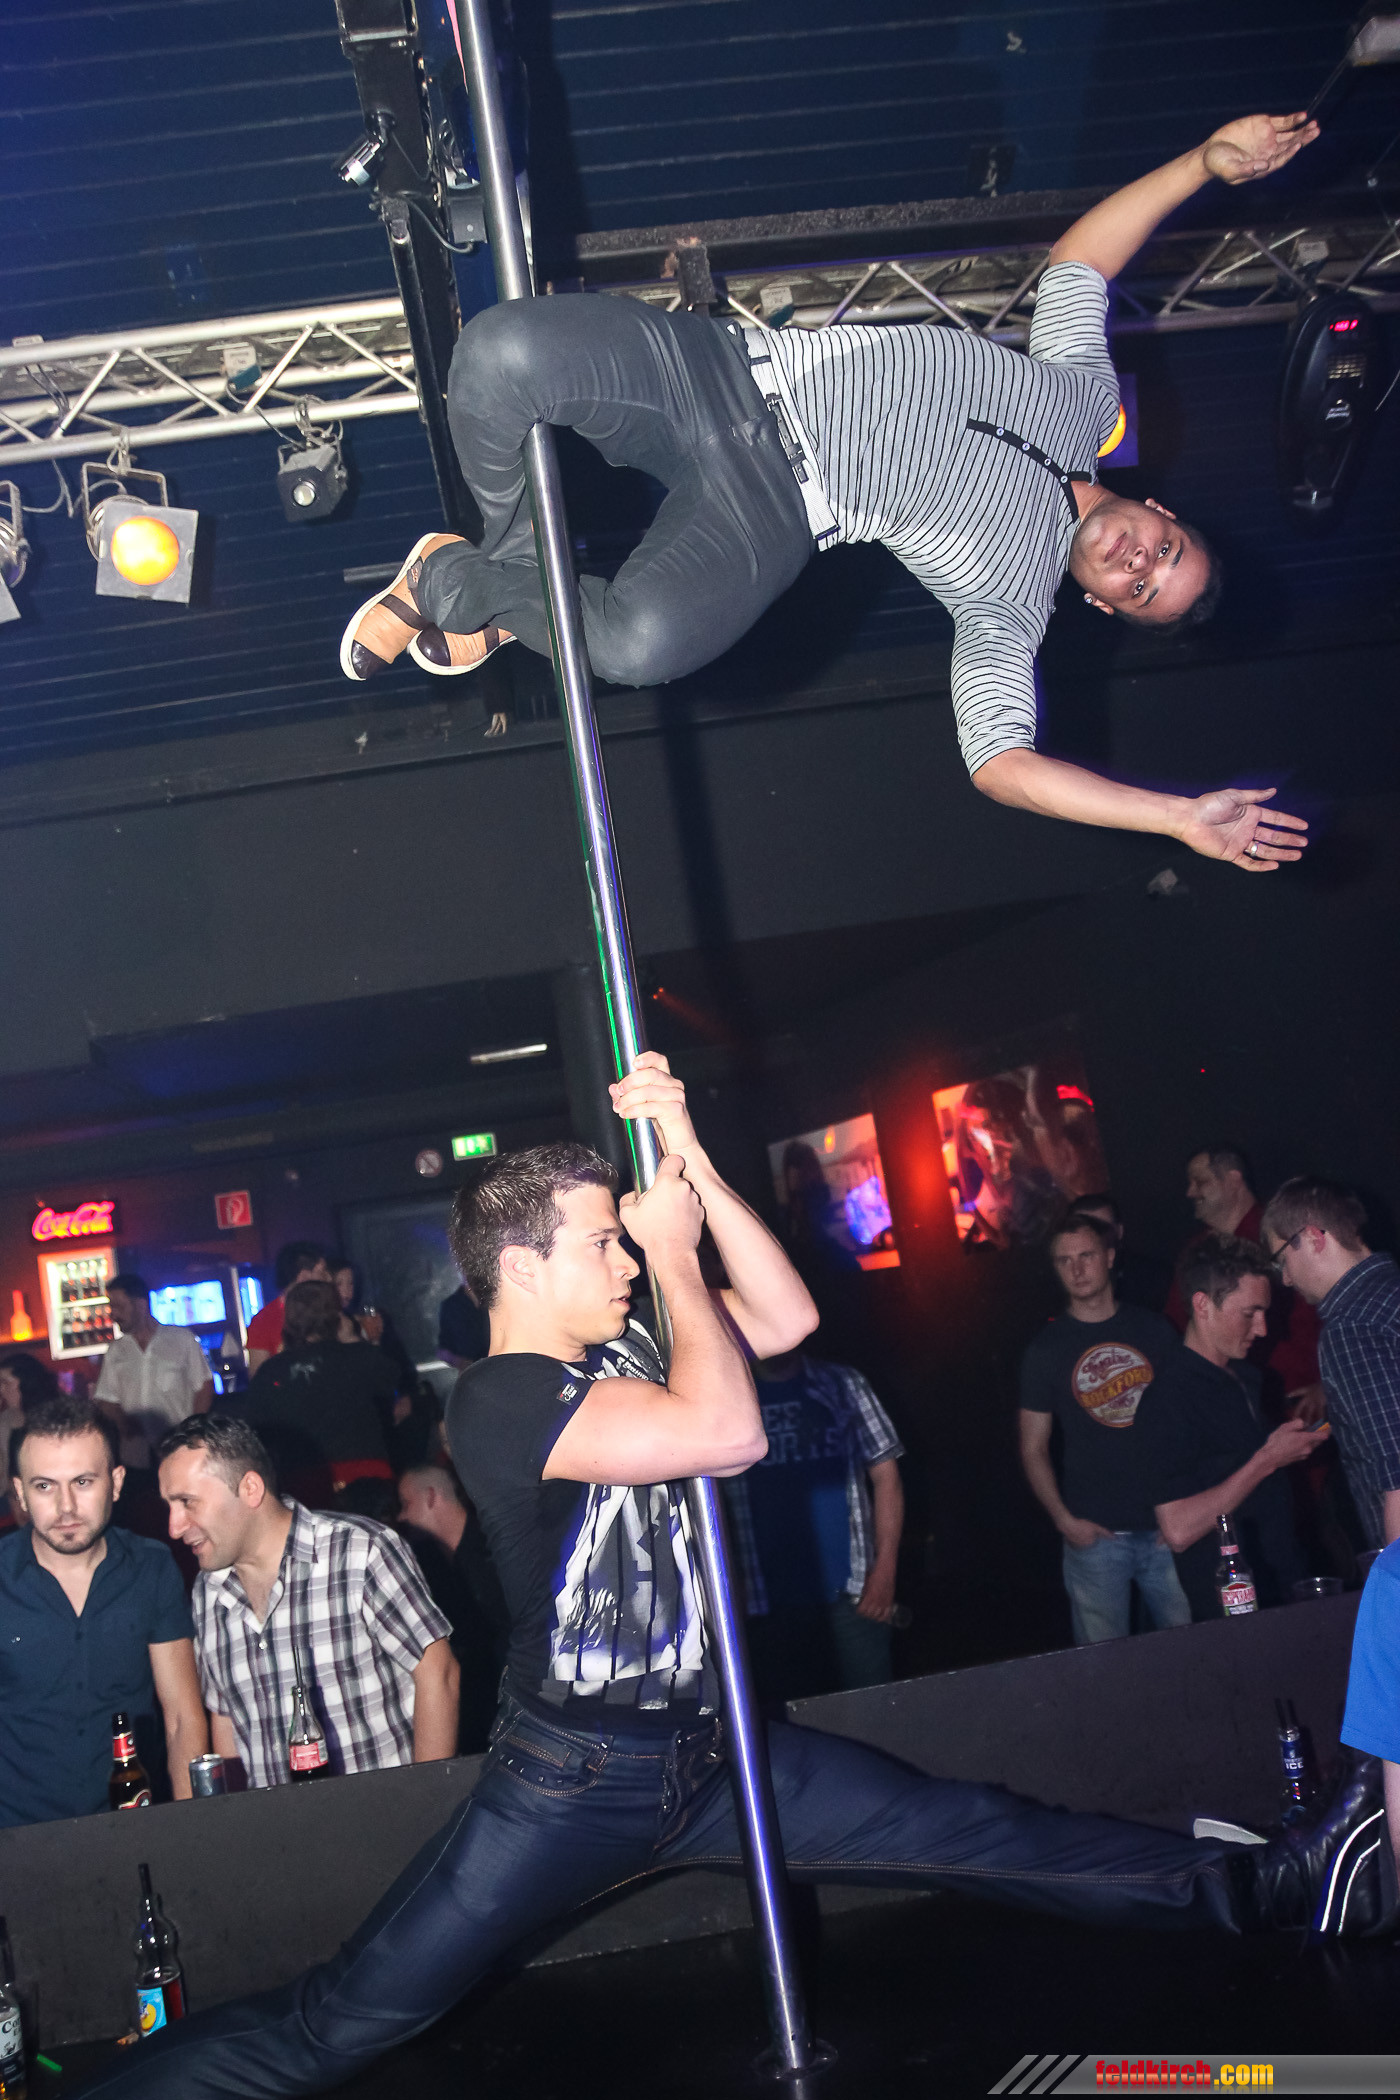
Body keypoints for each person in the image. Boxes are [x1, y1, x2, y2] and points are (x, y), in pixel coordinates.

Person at [71, 1063, 1400, 2100]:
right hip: (570, 1779)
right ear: (521, 1266)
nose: (624, 1260)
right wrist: (675, 1257)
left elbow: (786, 1321)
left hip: (715, 1751)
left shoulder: (624, 1344)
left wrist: (690, 1161)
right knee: (346, 2020)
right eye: (600, 1243)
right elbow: (725, 1431)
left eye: (624, 1242)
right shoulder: (496, 1396)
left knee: (980, 1829)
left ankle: (1274, 1888)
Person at [341, 116, 1313, 877]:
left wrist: (1174, 816)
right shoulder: (1086, 399)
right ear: (1164, 517)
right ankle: (492, 576)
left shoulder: (1009, 604)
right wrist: (1200, 163)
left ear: (1103, 605)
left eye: (1139, 591)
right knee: (498, 352)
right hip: (724, 373)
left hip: (772, 513)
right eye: (1164, 554)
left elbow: (1001, 765)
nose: (1138, 563)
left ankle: (456, 587)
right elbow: (1080, 264)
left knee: (638, 648)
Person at [157, 1414, 458, 1789]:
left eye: (187, 1502)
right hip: (272, 1824)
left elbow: (439, 1675)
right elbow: (227, 1720)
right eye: (170, 1506)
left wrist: (428, 1799)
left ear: (250, 1488)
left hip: (380, 1815)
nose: (174, 1526)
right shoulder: (208, 1590)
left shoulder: (359, 1551)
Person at [0, 1396, 207, 1825]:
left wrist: (187, 1831)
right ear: (19, 1493)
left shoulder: (151, 1567)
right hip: (16, 1836)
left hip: (133, 1824)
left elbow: (182, 1719)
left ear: (115, 1483)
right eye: (44, 1486)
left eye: (82, 1482)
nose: (66, 1507)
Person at [1019, 1213, 1189, 1644]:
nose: (1077, 1269)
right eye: (1065, 1260)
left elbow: (1189, 1422)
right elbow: (1032, 1446)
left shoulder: (1154, 1330)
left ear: (1110, 1257)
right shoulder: (1045, 1350)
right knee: (1103, 1668)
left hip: (1166, 1527)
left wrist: (1188, 1507)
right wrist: (1063, 1520)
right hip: (1094, 1536)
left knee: (1195, 1654)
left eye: (1086, 1256)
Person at [1135, 1236, 1325, 1618]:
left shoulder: (1246, 1377)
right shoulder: (1168, 1399)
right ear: (1202, 1305)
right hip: (1235, 1604)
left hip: (1284, 1580)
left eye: (1264, 1312)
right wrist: (1266, 1460)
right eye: (1249, 1313)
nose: (1262, 1328)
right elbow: (1178, 1530)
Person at [722, 1349, 905, 1703]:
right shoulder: (729, 1389)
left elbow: (887, 1476)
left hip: (853, 1594)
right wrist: (729, 1585)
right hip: (763, 1601)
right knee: (785, 1720)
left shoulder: (843, 1383)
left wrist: (885, 1572)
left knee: (873, 1712)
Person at [1262, 1177, 1400, 1550]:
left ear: (1313, 1238)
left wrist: (1393, 1579)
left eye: (1282, 1260)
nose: (1285, 1279)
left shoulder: (1350, 1329)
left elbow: (1397, 1471)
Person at [1166, 1146, 1323, 1420]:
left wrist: (1331, 1384)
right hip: (1229, 1406)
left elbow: (1331, 1309)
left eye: (1200, 1182)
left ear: (1233, 1179)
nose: (1190, 1192)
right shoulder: (1197, 1251)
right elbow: (1175, 1325)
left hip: (1300, 1403)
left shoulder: (1283, 1235)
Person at [230, 1280, 401, 1507]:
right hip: (367, 1477)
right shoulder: (358, 1356)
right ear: (336, 1316)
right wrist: (357, 1339)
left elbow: (255, 1430)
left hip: (304, 1485)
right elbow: (391, 1384)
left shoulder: (271, 1371)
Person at [398, 1464, 509, 1751]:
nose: (402, 1516)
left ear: (431, 1497)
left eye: (406, 1504)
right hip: (476, 1719)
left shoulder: (497, 1549)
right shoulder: (428, 1563)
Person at [94, 1274, 214, 1468]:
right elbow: (106, 1399)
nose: (113, 1315)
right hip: (136, 1454)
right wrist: (123, 1422)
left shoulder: (181, 1339)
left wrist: (193, 1432)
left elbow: (204, 1386)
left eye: (119, 1307)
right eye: (111, 1307)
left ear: (141, 1305)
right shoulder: (116, 1350)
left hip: (178, 1447)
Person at [1071, 1193, 1171, 1312]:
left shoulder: (1154, 1278)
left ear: (1119, 1231)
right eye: (1084, 1230)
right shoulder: (1059, 1280)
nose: (1094, 1237)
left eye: (1103, 1228)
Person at [245, 1242, 332, 1373]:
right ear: (303, 1277)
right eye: (322, 1272)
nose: (329, 1279)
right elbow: (259, 1377)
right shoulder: (263, 1321)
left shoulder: (329, 1312)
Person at [436, 1281, 490, 1371]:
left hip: (500, 1370)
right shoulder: (451, 1306)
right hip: (473, 1375)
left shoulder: (497, 1301)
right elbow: (442, 1351)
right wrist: (461, 1362)